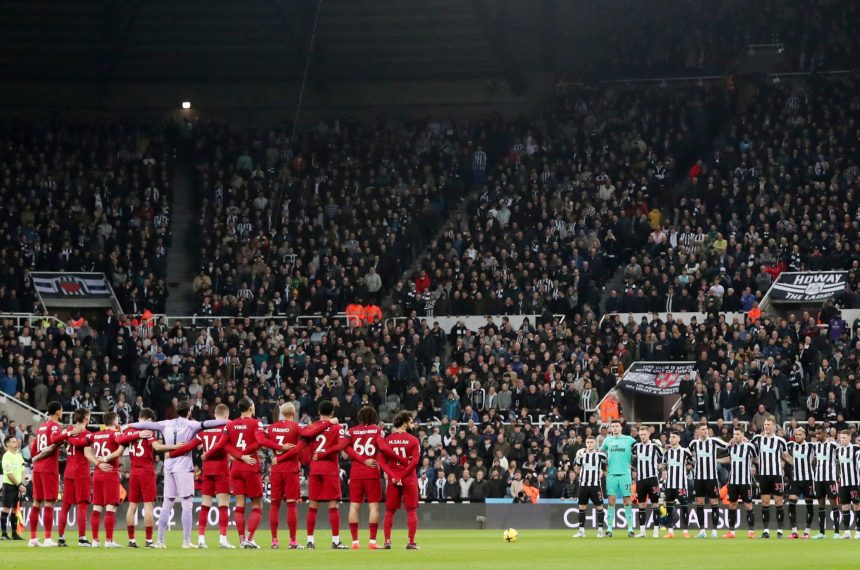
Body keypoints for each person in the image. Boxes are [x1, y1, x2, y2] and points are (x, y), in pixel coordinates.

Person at [128, 401, 228, 548]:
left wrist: (129, 425)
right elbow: (209, 423)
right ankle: (186, 541)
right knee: (186, 504)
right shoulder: (191, 424)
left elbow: (145, 424)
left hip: (169, 466)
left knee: (166, 504)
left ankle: (160, 541)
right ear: (189, 412)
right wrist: (228, 421)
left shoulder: (165, 423)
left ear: (177, 411)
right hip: (184, 467)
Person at [168, 403, 235, 548]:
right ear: (226, 416)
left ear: (214, 415)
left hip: (207, 470)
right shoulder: (227, 429)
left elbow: (189, 446)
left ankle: (201, 539)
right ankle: (223, 539)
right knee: (223, 505)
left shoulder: (205, 431)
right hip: (222, 470)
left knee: (205, 505)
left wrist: (171, 453)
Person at [207, 397, 269, 548]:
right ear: (251, 407)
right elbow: (260, 442)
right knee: (257, 505)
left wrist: (239, 455)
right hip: (251, 466)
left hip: (235, 469)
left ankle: (242, 540)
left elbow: (222, 445)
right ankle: (250, 539)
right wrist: (245, 454)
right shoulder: (256, 423)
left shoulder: (231, 424)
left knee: (240, 504)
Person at [123, 408, 182, 548]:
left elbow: (120, 442)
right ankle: (149, 540)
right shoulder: (148, 431)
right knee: (148, 505)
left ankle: (131, 540)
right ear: (149, 420)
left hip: (134, 471)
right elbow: (157, 447)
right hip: (146, 471)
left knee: (132, 506)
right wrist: (175, 447)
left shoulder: (129, 431)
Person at [254, 402, 308, 549]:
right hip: (291, 469)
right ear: (294, 413)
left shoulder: (271, 427)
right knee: (291, 505)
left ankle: (274, 541)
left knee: (274, 505)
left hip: (276, 470)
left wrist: (277, 453)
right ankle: (292, 541)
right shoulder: (296, 427)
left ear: (282, 413)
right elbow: (300, 446)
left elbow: (262, 441)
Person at [29, 401, 82, 547]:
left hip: (37, 468)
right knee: (49, 502)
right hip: (48, 468)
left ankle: (33, 538)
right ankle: (47, 538)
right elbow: (54, 439)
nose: (62, 412)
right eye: (62, 410)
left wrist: (37, 459)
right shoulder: (55, 426)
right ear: (58, 412)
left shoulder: (41, 426)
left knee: (36, 502)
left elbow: (33, 449)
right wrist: (69, 433)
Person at [304, 400, 348, 549]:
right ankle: (335, 541)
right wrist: (325, 453)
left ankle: (310, 541)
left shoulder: (312, 427)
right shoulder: (337, 427)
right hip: (330, 468)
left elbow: (305, 437)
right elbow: (341, 445)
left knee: (312, 505)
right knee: (333, 505)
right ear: (332, 413)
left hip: (315, 468)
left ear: (318, 412)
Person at [90, 412, 136, 547]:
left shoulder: (96, 435)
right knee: (111, 507)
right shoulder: (115, 434)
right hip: (110, 473)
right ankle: (109, 541)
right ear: (115, 421)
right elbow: (121, 445)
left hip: (97, 473)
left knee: (97, 507)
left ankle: (95, 540)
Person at [343, 406, 386, 549]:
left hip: (356, 473)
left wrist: (361, 460)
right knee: (373, 507)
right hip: (372, 472)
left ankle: (355, 542)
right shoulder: (378, 430)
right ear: (374, 417)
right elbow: (382, 448)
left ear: (360, 417)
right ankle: (372, 542)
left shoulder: (351, 431)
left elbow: (345, 447)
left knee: (354, 507)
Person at [377, 410, 421, 549]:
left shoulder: (387, 440)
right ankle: (411, 542)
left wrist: (393, 475)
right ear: (405, 422)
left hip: (393, 478)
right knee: (411, 510)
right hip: (409, 478)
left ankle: (387, 542)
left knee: (389, 511)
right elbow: (414, 462)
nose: (412, 424)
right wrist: (402, 476)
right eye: (411, 421)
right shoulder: (413, 440)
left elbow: (381, 460)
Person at [55, 409, 95, 546]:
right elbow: (83, 448)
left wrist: (68, 436)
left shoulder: (69, 430)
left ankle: (61, 537)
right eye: (89, 416)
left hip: (69, 472)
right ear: (86, 418)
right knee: (82, 505)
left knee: (65, 505)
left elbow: (56, 440)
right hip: (81, 473)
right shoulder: (87, 434)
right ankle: (82, 539)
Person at [687, 423, 728, 538]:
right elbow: (687, 454)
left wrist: (737, 440)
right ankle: (702, 531)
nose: (705, 431)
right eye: (703, 429)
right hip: (698, 478)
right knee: (699, 502)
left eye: (706, 429)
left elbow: (727, 445)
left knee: (714, 502)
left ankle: (714, 530)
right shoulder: (694, 443)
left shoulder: (714, 441)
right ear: (698, 431)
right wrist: (691, 462)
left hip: (711, 478)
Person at [751, 416, 787, 538]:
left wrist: (795, 464)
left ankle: (780, 531)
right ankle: (766, 531)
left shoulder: (780, 441)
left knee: (778, 502)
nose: (766, 427)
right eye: (765, 425)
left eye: (768, 425)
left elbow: (786, 456)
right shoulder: (758, 439)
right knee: (765, 502)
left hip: (776, 475)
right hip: (763, 475)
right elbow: (747, 447)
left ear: (774, 427)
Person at [599, 419, 636, 537]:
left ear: (621, 428)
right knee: (611, 501)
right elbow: (600, 454)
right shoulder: (607, 440)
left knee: (627, 501)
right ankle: (609, 529)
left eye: (617, 426)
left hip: (625, 474)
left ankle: (630, 529)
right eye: (613, 426)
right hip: (611, 475)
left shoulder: (629, 439)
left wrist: (633, 463)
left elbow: (638, 450)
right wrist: (603, 469)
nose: (615, 428)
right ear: (611, 428)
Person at [721, 427, 756, 539]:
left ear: (742, 435)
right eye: (734, 434)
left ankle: (751, 531)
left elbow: (755, 458)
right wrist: (716, 460)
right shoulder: (731, 447)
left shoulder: (749, 447)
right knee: (732, 505)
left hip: (745, 481)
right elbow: (730, 459)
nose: (735, 436)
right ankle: (731, 532)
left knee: (748, 505)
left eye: (737, 434)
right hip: (733, 482)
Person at [571, 436, 606, 538]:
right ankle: (581, 531)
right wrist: (576, 458)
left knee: (599, 506)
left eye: (591, 442)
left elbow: (606, 467)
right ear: (585, 443)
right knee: (582, 507)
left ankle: (600, 531)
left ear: (595, 443)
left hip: (595, 485)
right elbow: (577, 470)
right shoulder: (581, 456)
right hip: (583, 485)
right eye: (588, 442)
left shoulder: (601, 455)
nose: (589, 444)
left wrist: (603, 472)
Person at [633, 426, 663, 538]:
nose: (642, 436)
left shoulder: (655, 447)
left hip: (652, 479)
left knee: (655, 503)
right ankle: (642, 532)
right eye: (640, 435)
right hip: (640, 480)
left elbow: (663, 459)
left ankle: (656, 530)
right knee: (641, 504)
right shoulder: (636, 447)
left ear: (649, 434)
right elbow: (632, 458)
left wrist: (660, 468)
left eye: (644, 434)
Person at [785, 427, 814, 539]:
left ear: (804, 435)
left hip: (808, 480)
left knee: (809, 506)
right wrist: (792, 462)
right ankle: (794, 532)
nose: (797, 436)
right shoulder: (791, 445)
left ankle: (807, 531)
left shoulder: (811, 446)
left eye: (799, 434)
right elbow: (782, 451)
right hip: (796, 480)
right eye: (796, 434)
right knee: (791, 505)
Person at [811, 426, 840, 539]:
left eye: (819, 433)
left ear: (824, 433)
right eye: (816, 434)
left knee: (834, 504)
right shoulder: (815, 446)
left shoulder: (833, 445)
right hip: (818, 479)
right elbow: (814, 459)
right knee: (821, 505)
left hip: (830, 479)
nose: (817, 436)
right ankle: (821, 533)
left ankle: (836, 532)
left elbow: (840, 456)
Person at [661, 432, 691, 539]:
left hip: (681, 485)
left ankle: (685, 531)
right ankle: (670, 531)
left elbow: (691, 463)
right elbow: (663, 465)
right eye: (670, 437)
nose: (671, 439)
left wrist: (687, 469)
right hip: (669, 485)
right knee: (669, 508)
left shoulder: (685, 451)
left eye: (673, 437)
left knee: (684, 507)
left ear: (679, 439)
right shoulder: (666, 453)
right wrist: (663, 469)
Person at [835, 430, 860, 539]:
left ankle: (858, 531)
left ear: (850, 438)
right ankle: (847, 532)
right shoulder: (838, 450)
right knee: (845, 506)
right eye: (841, 438)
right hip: (843, 483)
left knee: (857, 505)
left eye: (844, 437)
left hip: (854, 483)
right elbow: (837, 465)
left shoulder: (856, 449)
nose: (842, 440)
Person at [1, 435, 25, 540]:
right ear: (8, 444)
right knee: (6, 508)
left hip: (18, 487)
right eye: (13, 442)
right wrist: (19, 485)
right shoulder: (7, 456)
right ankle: (4, 534)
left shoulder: (19, 456)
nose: (16, 443)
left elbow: (23, 470)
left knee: (15, 509)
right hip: (9, 486)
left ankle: (14, 534)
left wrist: (22, 484)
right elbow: (9, 474)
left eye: (16, 441)